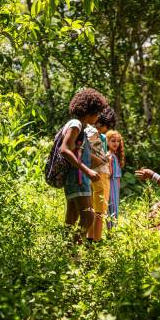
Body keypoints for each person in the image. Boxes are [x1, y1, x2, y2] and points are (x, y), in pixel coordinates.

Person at [60, 88, 108, 243]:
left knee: (72, 217)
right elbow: (65, 150)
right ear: (90, 111)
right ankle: (75, 251)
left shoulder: (80, 126)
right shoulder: (76, 124)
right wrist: (87, 171)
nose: (98, 116)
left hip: (76, 178)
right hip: (78, 178)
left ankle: (65, 252)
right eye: (98, 112)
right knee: (88, 216)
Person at [85, 107, 117, 241]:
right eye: (107, 127)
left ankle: (90, 239)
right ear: (104, 123)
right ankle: (96, 242)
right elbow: (85, 152)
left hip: (90, 174)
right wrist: (102, 159)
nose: (106, 131)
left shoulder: (86, 129)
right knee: (100, 212)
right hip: (100, 174)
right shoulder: (92, 131)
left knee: (92, 209)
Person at [105, 130, 124, 229]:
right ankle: (111, 231)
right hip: (111, 184)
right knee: (111, 208)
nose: (116, 143)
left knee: (115, 208)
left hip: (116, 185)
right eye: (113, 141)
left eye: (118, 141)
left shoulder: (115, 156)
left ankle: (113, 231)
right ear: (107, 142)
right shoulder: (109, 156)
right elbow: (109, 174)